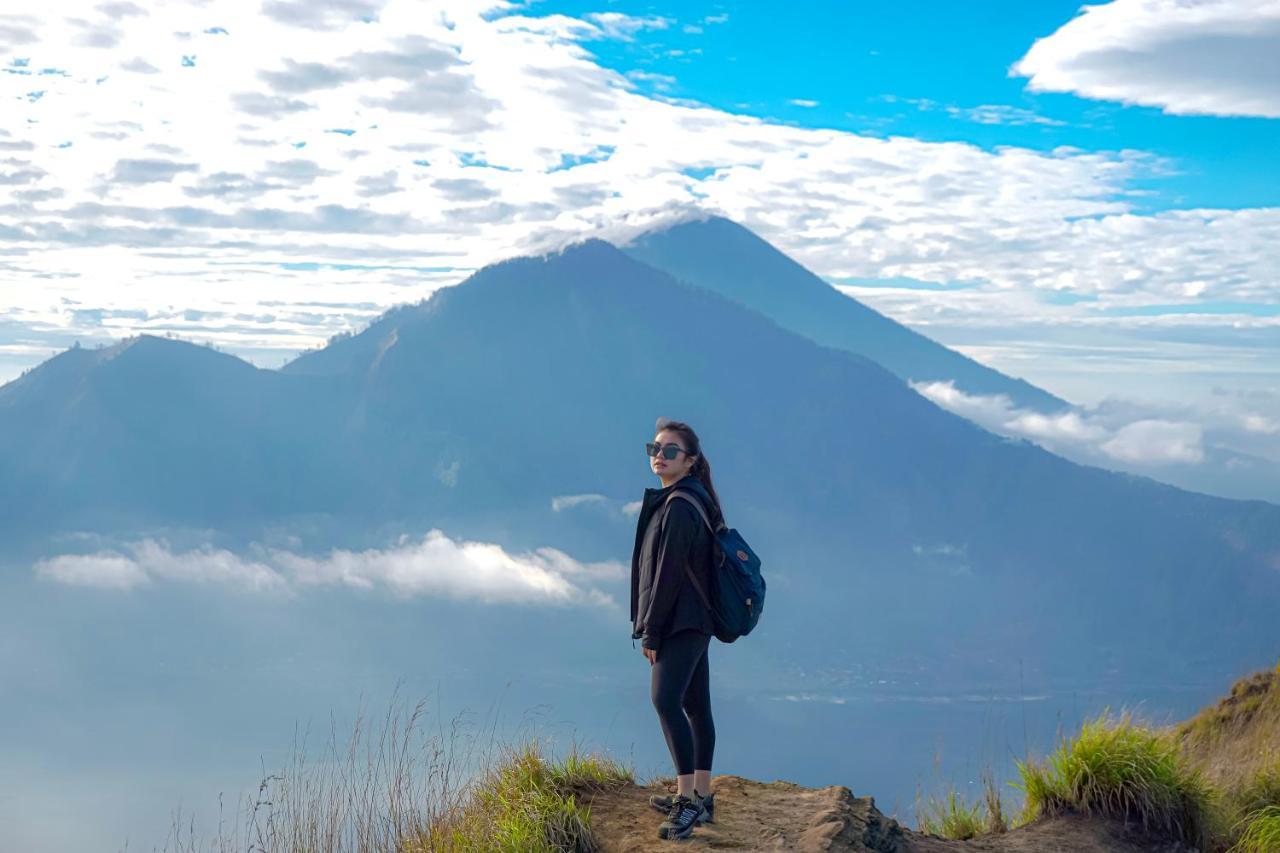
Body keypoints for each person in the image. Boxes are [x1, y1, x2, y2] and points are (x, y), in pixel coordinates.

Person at [629, 416, 726, 841]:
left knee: (665, 699)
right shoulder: (689, 499)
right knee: (695, 705)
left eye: (670, 451)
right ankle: (702, 795)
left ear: (689, 461)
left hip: (682, 622)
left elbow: (666, 576)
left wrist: (651, 633)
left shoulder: (681, 507)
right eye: (655, 449)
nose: (659, 456)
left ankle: (688, 801)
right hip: (694, 619)